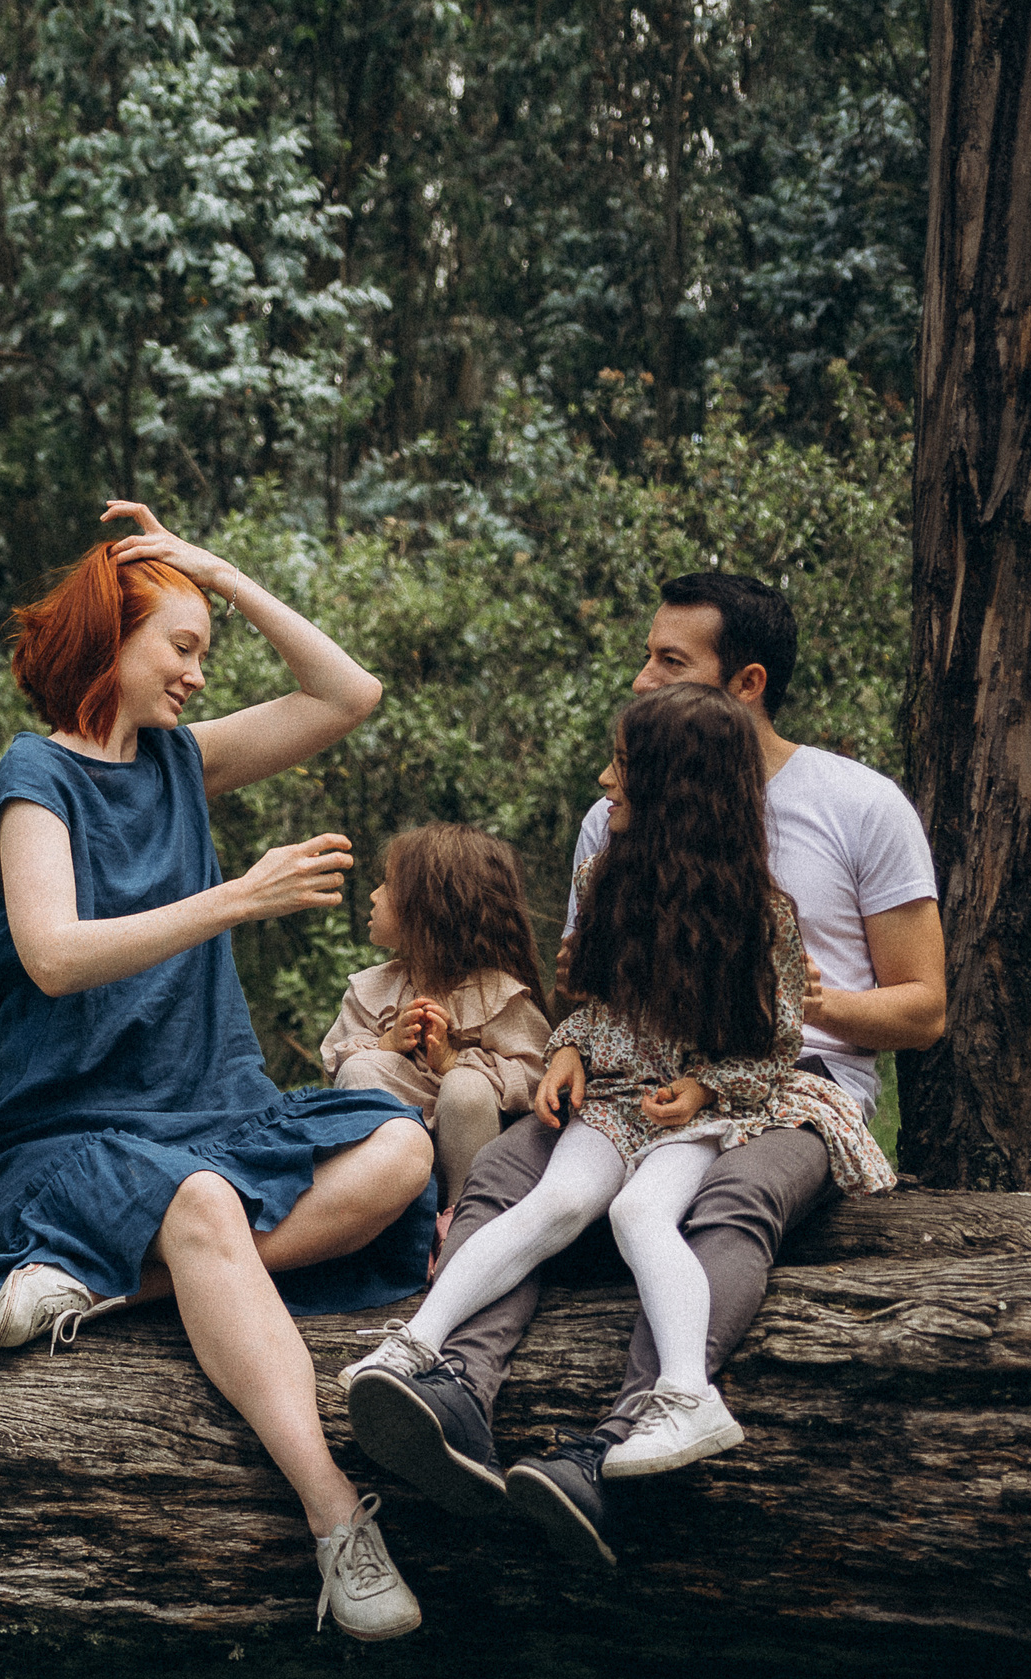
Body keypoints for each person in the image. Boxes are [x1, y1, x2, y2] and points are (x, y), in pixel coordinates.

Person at [348, 571, 944, 1569]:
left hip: (790, 1083)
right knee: (505, 1174)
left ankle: (628, 1435)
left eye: (669, 662)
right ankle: (448, 1387)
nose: (639, 676)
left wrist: (767, 1010)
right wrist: (575, 1043)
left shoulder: (858, 806)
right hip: (635, 1075)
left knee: (721, 1203)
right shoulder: (611, 826)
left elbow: (923, 1008)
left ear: (740, 682)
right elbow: (598, 990)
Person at [0, 501, 439, 1642]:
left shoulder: (177, 761)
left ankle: (105, 1288)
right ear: (110, 638)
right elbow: (54, 954)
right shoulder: (34, 779)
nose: (199, 676)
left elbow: (347, 694)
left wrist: (216, 571)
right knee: (200, 1201)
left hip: (214, 1115)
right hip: (69, 1137)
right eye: (183, 645)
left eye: (206, 650)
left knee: (401, 1147)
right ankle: (334, 1515)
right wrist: (235, 896)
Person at [318, 824, 551, 1211]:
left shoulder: (495, 993)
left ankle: (462, 1217)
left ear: (429, 907)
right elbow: (337, 1063)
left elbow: (539, 1075)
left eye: (387, 885)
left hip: (480, 1168)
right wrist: (386, 1044)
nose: (373, 896)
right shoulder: (374, 989)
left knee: (465, 1088)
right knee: (362, 1068)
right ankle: (383, 1216)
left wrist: (452, 1062)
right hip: (395, 1169)